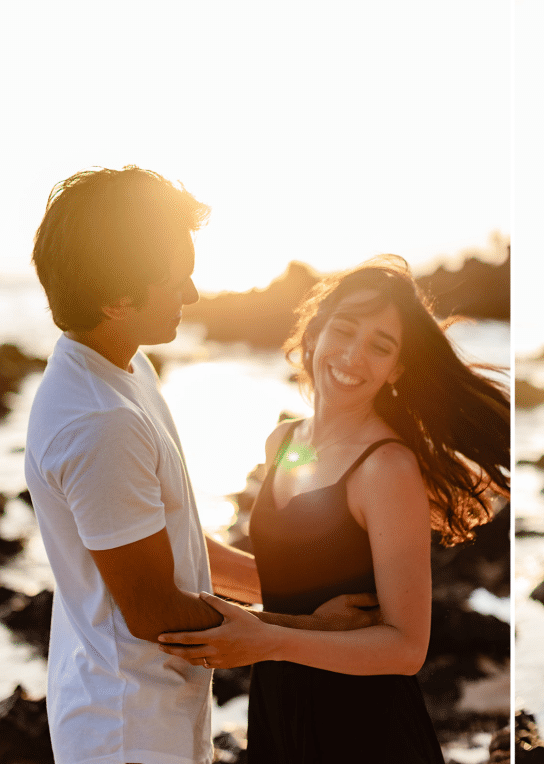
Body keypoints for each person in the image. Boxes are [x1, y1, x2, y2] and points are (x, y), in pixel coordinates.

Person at [24, 166, 379, 764]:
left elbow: (181, 546)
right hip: (124, 731)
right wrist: (315, 631)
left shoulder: (125, 369)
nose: (192, 294)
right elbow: (155, 609)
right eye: (177, 277)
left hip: (150, 708)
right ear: (117, 299)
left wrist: (304, 593)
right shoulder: (100, 421)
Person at [158, 255, 511, 762]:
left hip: (363, 730)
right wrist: (157, 521)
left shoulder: (386, 468)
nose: (352, 356)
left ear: (398, 368)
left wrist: (269, 639)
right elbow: (284, 581)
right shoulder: (284, 442)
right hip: (281, 712)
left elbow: (406, 648)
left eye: (380, 346)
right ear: (316, 332)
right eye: (343, 331)